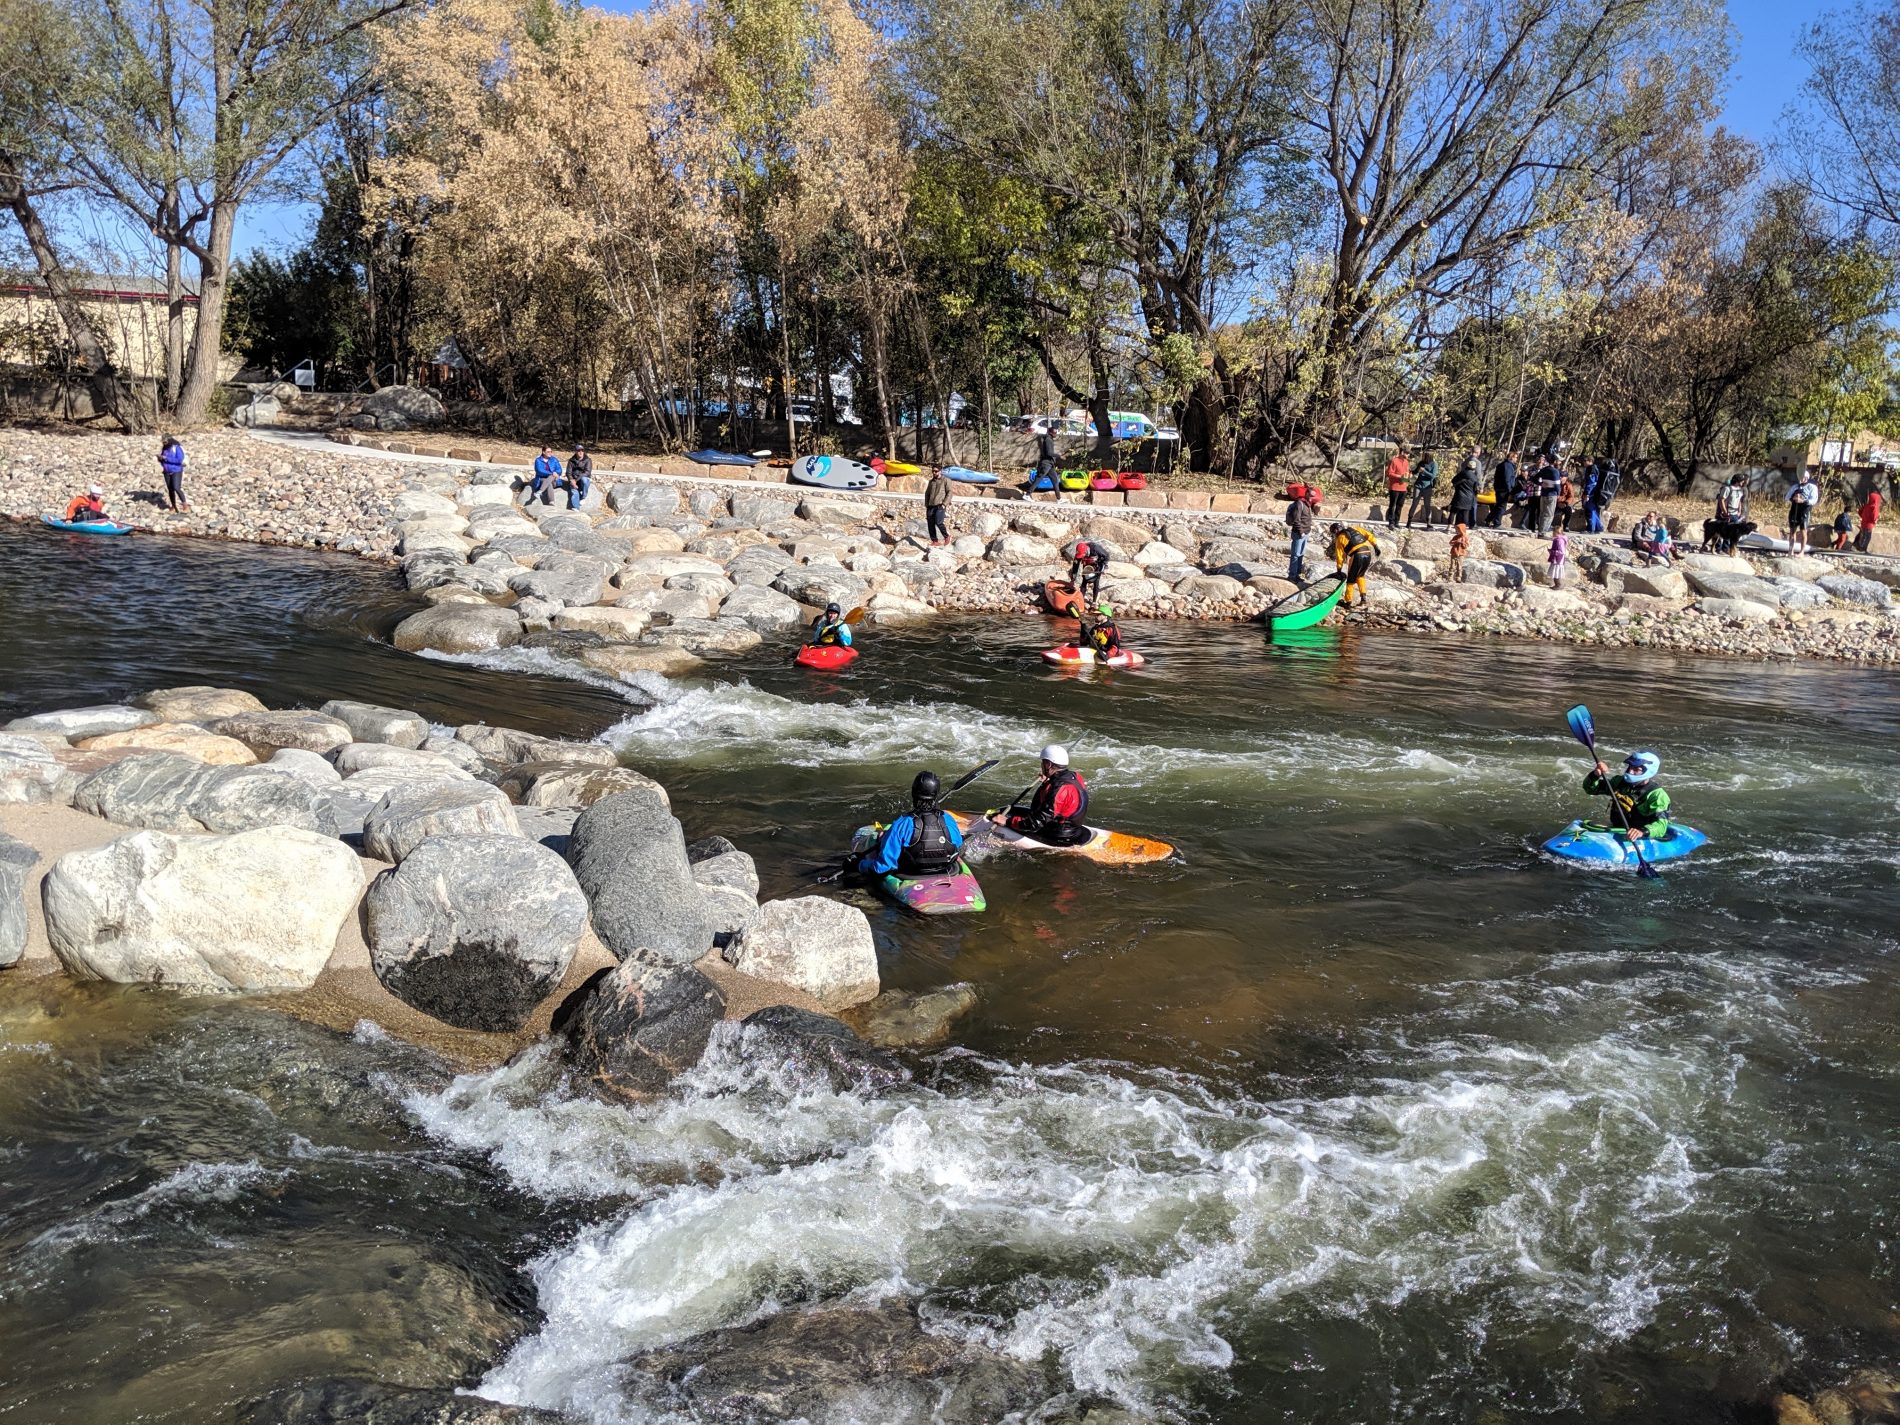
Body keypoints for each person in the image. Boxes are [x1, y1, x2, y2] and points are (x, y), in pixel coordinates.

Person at [858, 770, 964, 878]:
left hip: (911, 873)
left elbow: (883, 868)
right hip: (945, 870)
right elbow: (958, 846)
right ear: (935, 796)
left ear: (913, 794)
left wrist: (859, 865)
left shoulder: (902, 823)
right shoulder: (948, 819)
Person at [998, 744, 1090, 846]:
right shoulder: (1075, 776)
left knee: (1005, 816)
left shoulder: (1058, 790)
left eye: (1043, 762)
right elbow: (1052, 802)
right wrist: (1047, 782)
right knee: (1011, 810)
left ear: (1048, 765)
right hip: (1071, 828)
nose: (1041, 766)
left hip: (1058, 835)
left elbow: (1035, 824)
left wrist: (1007, 821)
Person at [1583, 749, 1672, 843]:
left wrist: (1642, 832)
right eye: (1630, 767)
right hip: (1618, 829)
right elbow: (1590, 789)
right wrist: (1595, 775)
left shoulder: (1657, 795)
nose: (1630, 771)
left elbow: (1661, 825)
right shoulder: (1619, 782)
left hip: (1641, 835)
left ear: (1649, 771)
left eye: (1636, 769)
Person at [1330, 522, 1379, 609]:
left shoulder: (1340, 538)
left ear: (1335, 531)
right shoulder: (1355, 528)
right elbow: (1369, 535)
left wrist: (1339, 570)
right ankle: (1363, 598)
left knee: (1351, 580)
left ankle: (1347, 602)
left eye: (1333, 533)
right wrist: (1375, 546)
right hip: (1368, 553)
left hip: (1357, 556)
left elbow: (1340, 556)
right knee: (1360, 575)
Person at [1702, 474, 1753, 553]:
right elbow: (1721, 500)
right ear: (1737, 481)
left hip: (1735, 514)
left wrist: (1739, 510)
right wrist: (1725, 512)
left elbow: (1739, 500)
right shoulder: (1727, 488)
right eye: (1742, 481)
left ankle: (1726, 549)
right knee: (1720, 531)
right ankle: (1717, 548)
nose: (1743, 482)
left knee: (1732, 533)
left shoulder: (1740, 490)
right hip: (1725, 514)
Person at [1285, 481, 1315, 582]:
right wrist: (1301, 532)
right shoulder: (1300, 503)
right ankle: (1292, 576)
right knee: (1295, 555)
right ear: (1306, 494)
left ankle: (1297, 575)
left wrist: (1307, 531)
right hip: (1299, 533)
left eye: (1312, 497)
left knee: (1301, 554)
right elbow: (1297, 520)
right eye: (1310, 496)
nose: (1311, 498)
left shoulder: (1308, 504)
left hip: (1306, 532)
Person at [1786, 466, 1819, 554]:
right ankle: (1791, 550)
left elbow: (1814, 500)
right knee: (1792, 531)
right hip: (1794, 509)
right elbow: (1787, 497)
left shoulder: (1812, 487)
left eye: (1804, 478)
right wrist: (1794, 498)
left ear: (1807, 478)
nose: (1802, 479)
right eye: (1801, 477)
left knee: (1803, 531)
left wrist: (1803, 500)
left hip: (1804, 511)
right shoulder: (1795, 486)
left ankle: (1801, 552)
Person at [1447, 448, 1480, 531]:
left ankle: (1449, 527)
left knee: (1453, 511)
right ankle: (1462, 530)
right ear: (1474, 468)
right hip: (1469, 497)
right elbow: (1476, 489)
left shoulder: (1462, 473)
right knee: (1465, 514)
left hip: (1458, 495)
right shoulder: (1475, 477)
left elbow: (1453, 480)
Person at [1405, 450, 1439, 528]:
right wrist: (1409, 471)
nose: (1423, 457)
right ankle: (1409, 521)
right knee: (1414, 503)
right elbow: (1415, 472)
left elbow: (1433, 476)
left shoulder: (1434, 464)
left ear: (1429, 456)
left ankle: (1428, 523)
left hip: (1428, 487)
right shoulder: (1421, 463)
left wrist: (1424, 471)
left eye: (1425, 456)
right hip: (1418, 486)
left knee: (1427, 505)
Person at [1588, 458, 1620, 533]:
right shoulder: (1612, 474)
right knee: (1596, 510)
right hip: (1606, 495)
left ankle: (1597, 527)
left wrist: (1587, 493)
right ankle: (1598, 527)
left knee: (1592, 510)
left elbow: (1591, 483)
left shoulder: (1594, 471)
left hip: (1598, 494)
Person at [157, 434, 187, 512]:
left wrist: (167, 458)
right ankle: (173, 507)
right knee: (170, 489)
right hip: (166, 471)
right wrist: (160, 459)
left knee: (176, 487)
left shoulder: (176, 447)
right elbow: (164, 460)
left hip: (176, 470)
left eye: (165, 441)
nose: (164, 443)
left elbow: (179, 460)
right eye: (163, 442)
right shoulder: (164, 448)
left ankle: (185, 505)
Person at [1488, 449, 1517, 528]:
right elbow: (1507, 478)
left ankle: (1488, 519)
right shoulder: (1508, 466)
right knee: (1501, 507)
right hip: (1504, 489)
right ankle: (1497, 523)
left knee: (1498, 505)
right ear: (1511, 457)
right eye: (1515, 458)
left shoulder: (1502, 464)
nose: (1516, 459)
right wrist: (1509, 489)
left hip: (1499, 488)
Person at [1534, 452, 1562, 536]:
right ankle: (1543, 532)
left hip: (1543, 494)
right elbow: (1557, 485)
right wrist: (1558, 494)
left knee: (1542, 513)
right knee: (1549, 514)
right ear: (1555, 461)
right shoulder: (1555, 471)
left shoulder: (1544, 470)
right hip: (1552, 494)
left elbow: (1534, 478)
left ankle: (1541, 530)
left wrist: (1541, 484)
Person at [558, 444, 593, 510]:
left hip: (582, 479)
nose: (581, 452)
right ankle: (576, 507)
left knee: (584, 480)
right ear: (576, 451)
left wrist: (575, 480)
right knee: (574, 491)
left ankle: (583, 497)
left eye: (582, 450)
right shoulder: (571, 461)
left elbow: (587, 472)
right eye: (578, 450)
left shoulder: (588, 460)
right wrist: (571, 480)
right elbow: (568, 472)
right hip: (573, 480)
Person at [1383, 446, 1410, 530]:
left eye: (1408, 453)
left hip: (1403, 487)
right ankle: (1391, 522)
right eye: (1406, 453)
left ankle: (1396, 521)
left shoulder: (1406, 462)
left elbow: (1407, 472)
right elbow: (1390, 473)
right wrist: (1399, 476)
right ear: (1402, 452)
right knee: (1392, 505)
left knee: (1400, 506)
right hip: (1394, 487)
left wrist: (1408, 476)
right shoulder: (1394, 461)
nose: (1408, 455)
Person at [924, 468, 952, 546]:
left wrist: (944, 504)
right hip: (930, 505)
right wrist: (927, 504)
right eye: (933, 471)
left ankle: (947, 536)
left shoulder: (946, 480)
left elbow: (949, 492)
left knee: (939, 522)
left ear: (940, 471)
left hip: (940, 505)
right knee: (930, 523)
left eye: (936, 471)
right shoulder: (931, 482)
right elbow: (927, 494)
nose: (934, 473)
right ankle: (935, 541)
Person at [1856, 487, 1883, 552]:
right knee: (1868, 537)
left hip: (1863, 523)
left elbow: (1860, 512)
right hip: (1869, 524)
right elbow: (1874, 516)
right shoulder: (1875, 507)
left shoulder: (1867, 505)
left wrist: (1863, 517)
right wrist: (1875, 521)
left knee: (1863, 536)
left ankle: (1860, 547)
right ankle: (1863, 548)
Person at [1033, 424, 1059, 491]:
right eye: (1054, 432)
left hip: (1050, 463)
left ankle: (1059, 499)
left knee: (1055, 480)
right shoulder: (1048, 440)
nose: (1056, 434)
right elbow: (1049, 453)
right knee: (1039, 479)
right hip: (1046, 463)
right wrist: (1059, 455)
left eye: (1056, 432)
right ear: (1050, 433)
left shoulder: (1048, 439)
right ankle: (1027, 494)